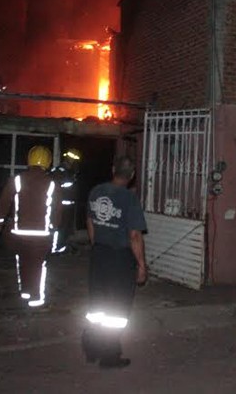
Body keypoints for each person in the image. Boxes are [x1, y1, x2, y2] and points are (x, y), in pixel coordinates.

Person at [82, 155, 147, 369]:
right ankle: (110, 355)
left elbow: (90, 221)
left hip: (99, 255)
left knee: (97, 303)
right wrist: (141, 265)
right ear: (132, 175)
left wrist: (97, 243)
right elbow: (135, 236)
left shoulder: (96, 191)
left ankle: (91, 348)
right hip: (120, 259)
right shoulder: (129, 199)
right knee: (117, 309)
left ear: (113, 169)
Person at [0, 145, 59, 308]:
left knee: (23, 262)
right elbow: (57, 210)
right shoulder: (51, 184)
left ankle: (25, 292)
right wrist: (54, 228)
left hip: (18, 233)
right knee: (38, 266)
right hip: (41, 235)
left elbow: (3, 203)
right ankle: (36, 299)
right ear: (48, 162)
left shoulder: (17, 179)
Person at [49, 148, 82, 254]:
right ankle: (55, 248)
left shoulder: (70, 173)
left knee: (64, 229)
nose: (75, 163)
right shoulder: (58, 172)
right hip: (59, 205)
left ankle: (61, 247)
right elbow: (57, 189)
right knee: (58, 227)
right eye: (73, 161)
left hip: (68, 206)